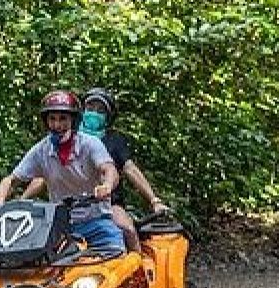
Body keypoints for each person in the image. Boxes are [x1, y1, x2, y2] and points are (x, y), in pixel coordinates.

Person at [22, 88, 169, 251]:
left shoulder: (113, 140)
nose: (94, 113)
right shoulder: (61, 139)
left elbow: (129, 169)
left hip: (105, 203)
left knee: (126, 228)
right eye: (90, 108)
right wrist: (22, 201)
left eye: (100, 110)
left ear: (108, 116)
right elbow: (44, 175)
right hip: (67, 208)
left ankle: (138, 270)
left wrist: (154, 200)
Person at [0, 90, 124, 255]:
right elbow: (10, 180)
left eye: (63, 119)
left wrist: (107, 185)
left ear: (73, 121)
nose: (57, 125)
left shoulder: (90, 144)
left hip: (96, 221)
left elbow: (109, 169)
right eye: (52, 119)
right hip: (61, 227)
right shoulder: (41, 150)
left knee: (118, 259)